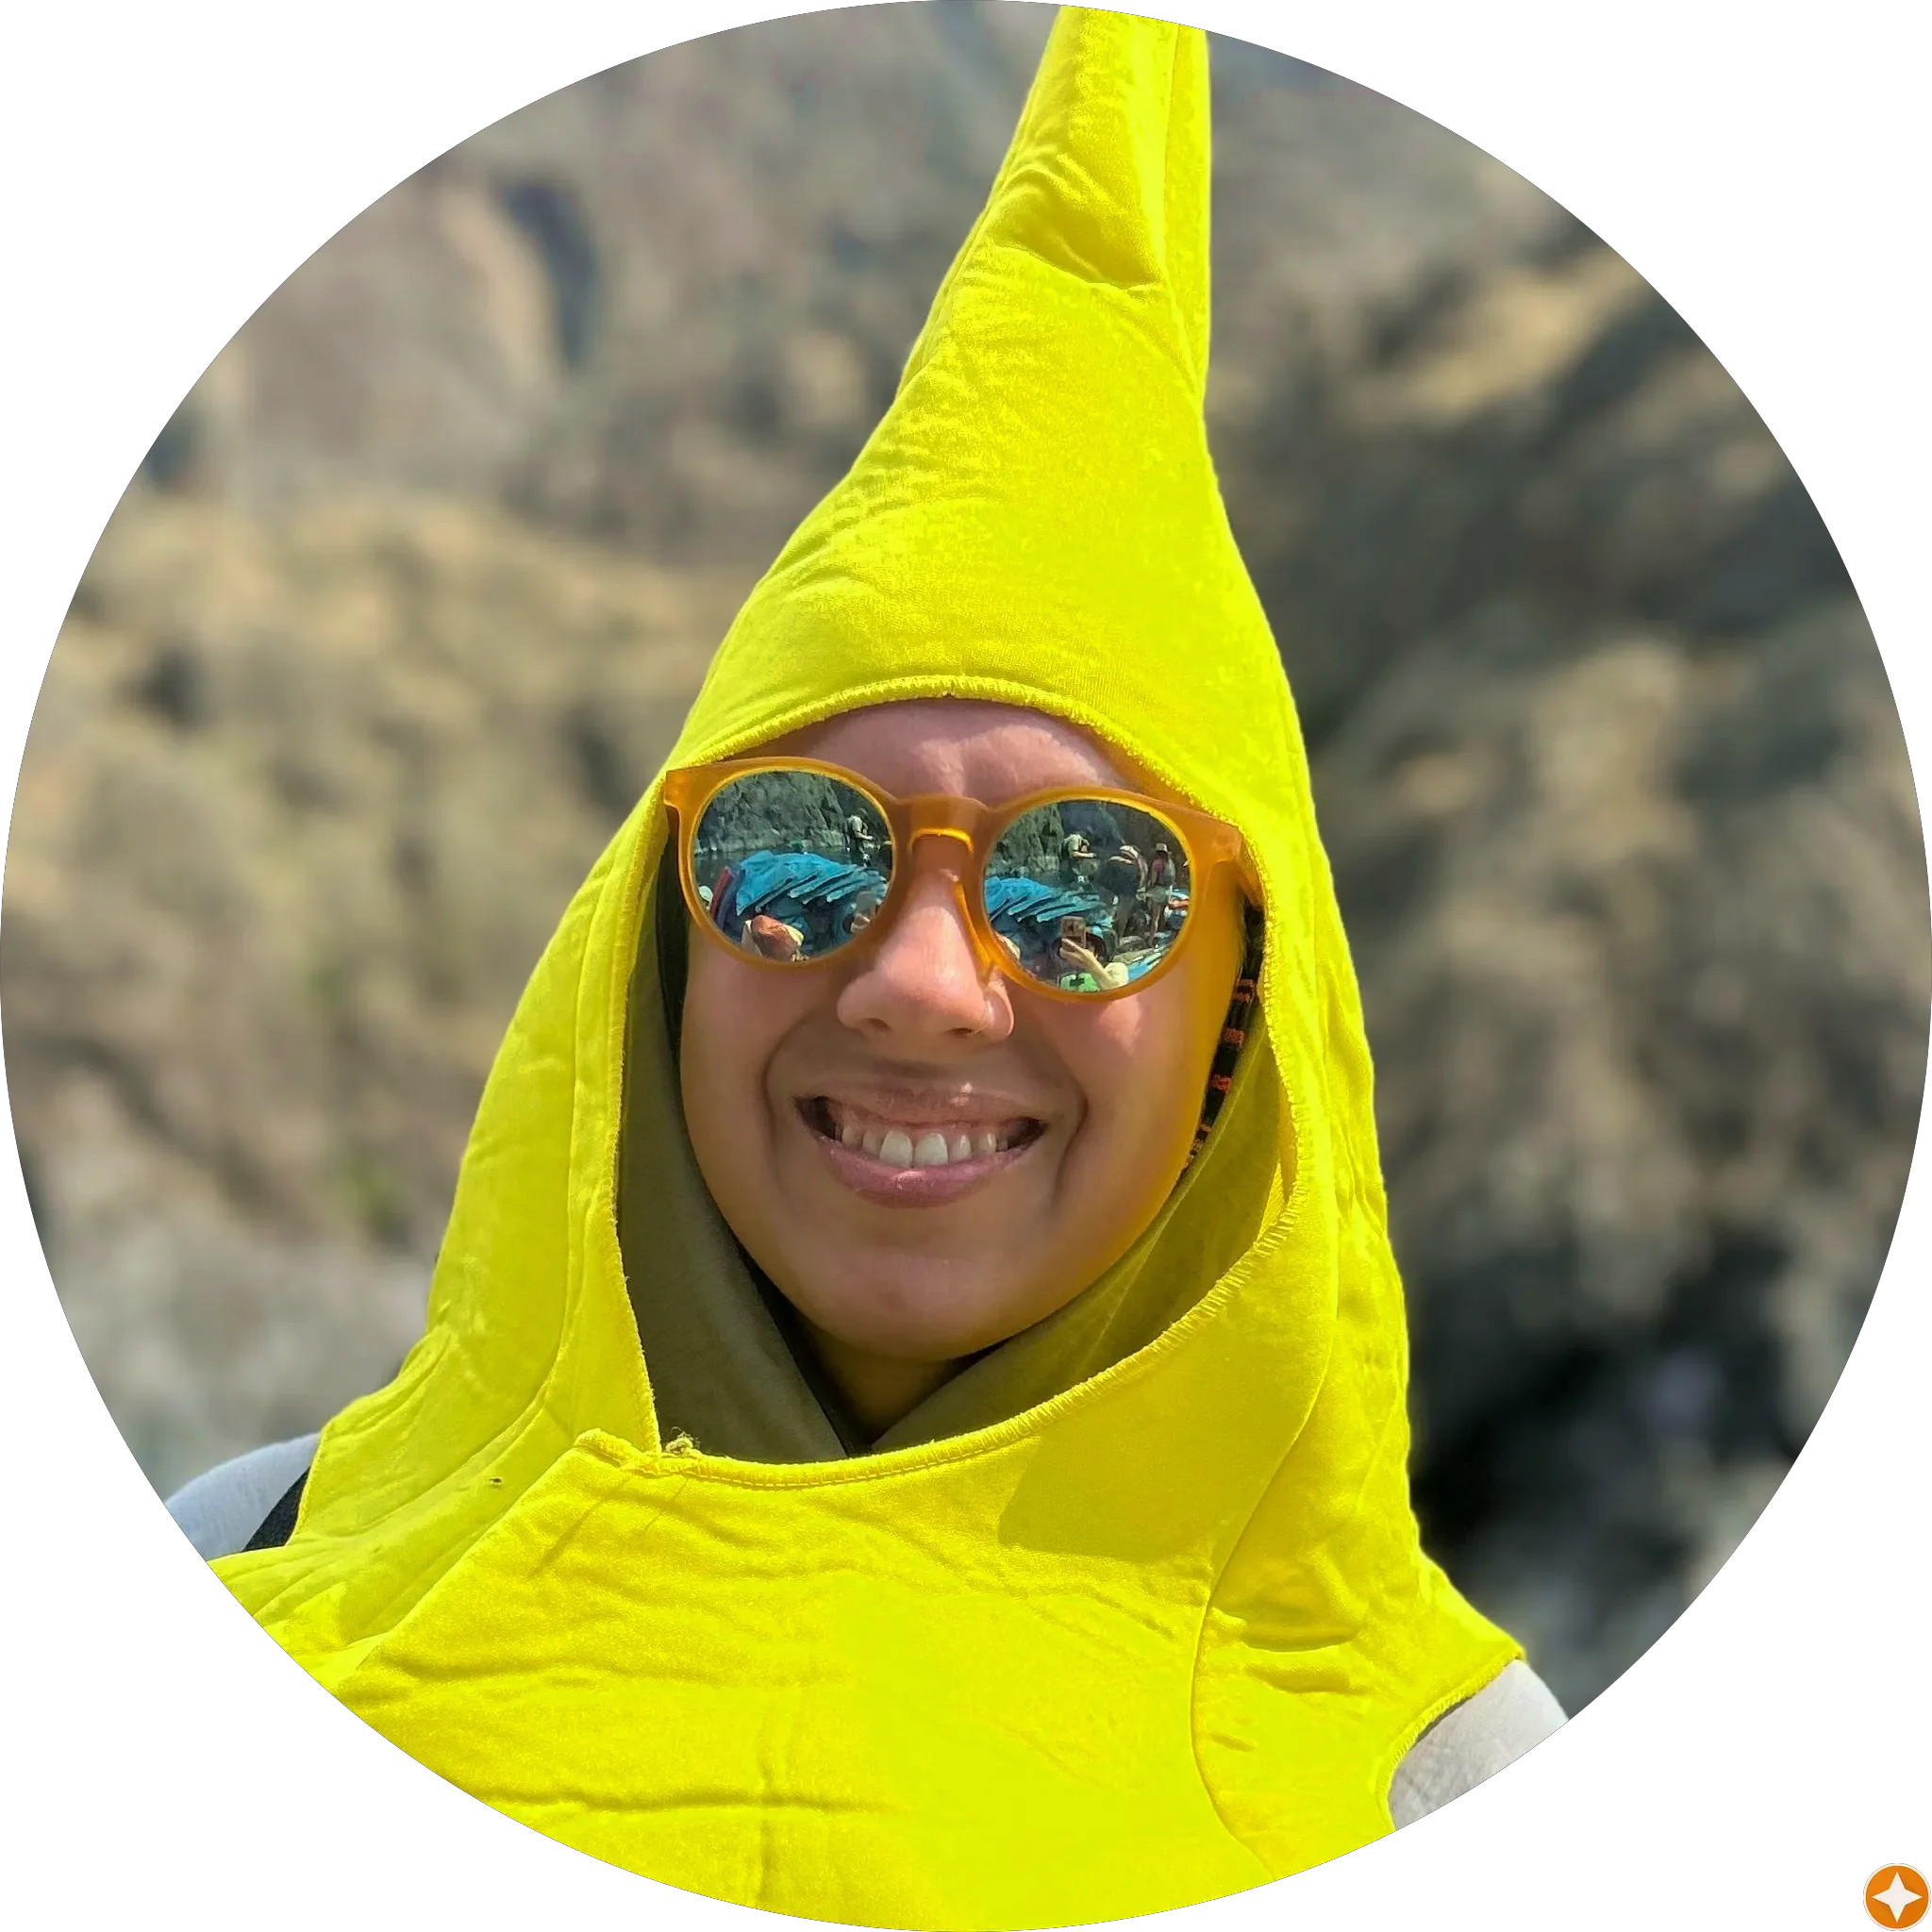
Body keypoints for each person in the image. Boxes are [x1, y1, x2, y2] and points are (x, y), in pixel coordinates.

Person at [177, 15, 1562, 1925]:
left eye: (1087, 883)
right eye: (793, 850)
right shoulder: (260, 1552)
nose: (922, 981)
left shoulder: (1419, 1771)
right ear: (653, 941)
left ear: (1243, 1023)